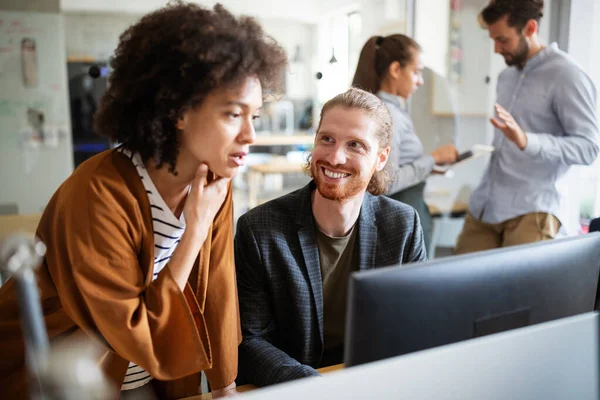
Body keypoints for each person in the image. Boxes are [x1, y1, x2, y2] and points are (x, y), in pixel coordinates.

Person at [0, 2, 287, 399]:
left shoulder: (215, 179)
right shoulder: (96, 193)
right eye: (233, 114)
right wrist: (193, 233)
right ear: (178, 111)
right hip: (63, 381)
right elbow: (131, 331)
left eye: (255, 116)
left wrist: (225, 388)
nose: (250, 135)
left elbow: (219, 294)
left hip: (149, 380)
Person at [235, 87, 427, 387]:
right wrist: (319, 388)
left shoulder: (402, 225)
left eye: (355, 145)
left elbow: (416, 327)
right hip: (294, 391)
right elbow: (249, 341)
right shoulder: (259, 229)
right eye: (327, 139)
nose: (335, 157)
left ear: (380, 158)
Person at [454, 0, 600, 254]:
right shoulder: (506, 76)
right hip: (486, 205)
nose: (497, 49)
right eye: (493, 40)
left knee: (517, 294)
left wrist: (527, 141)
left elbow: (589, 148)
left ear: (530, 28)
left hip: (533, 210)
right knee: (455, 287)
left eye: (503, 39)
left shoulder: (567, 76)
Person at [352, 34, 459, 255]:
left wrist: (429, 166)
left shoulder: (392, 110)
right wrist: (433, 159)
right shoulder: (388, 113)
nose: (420, 80)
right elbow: (385, 182)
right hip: (399, 219)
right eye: (416, 72)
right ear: (395, 70)